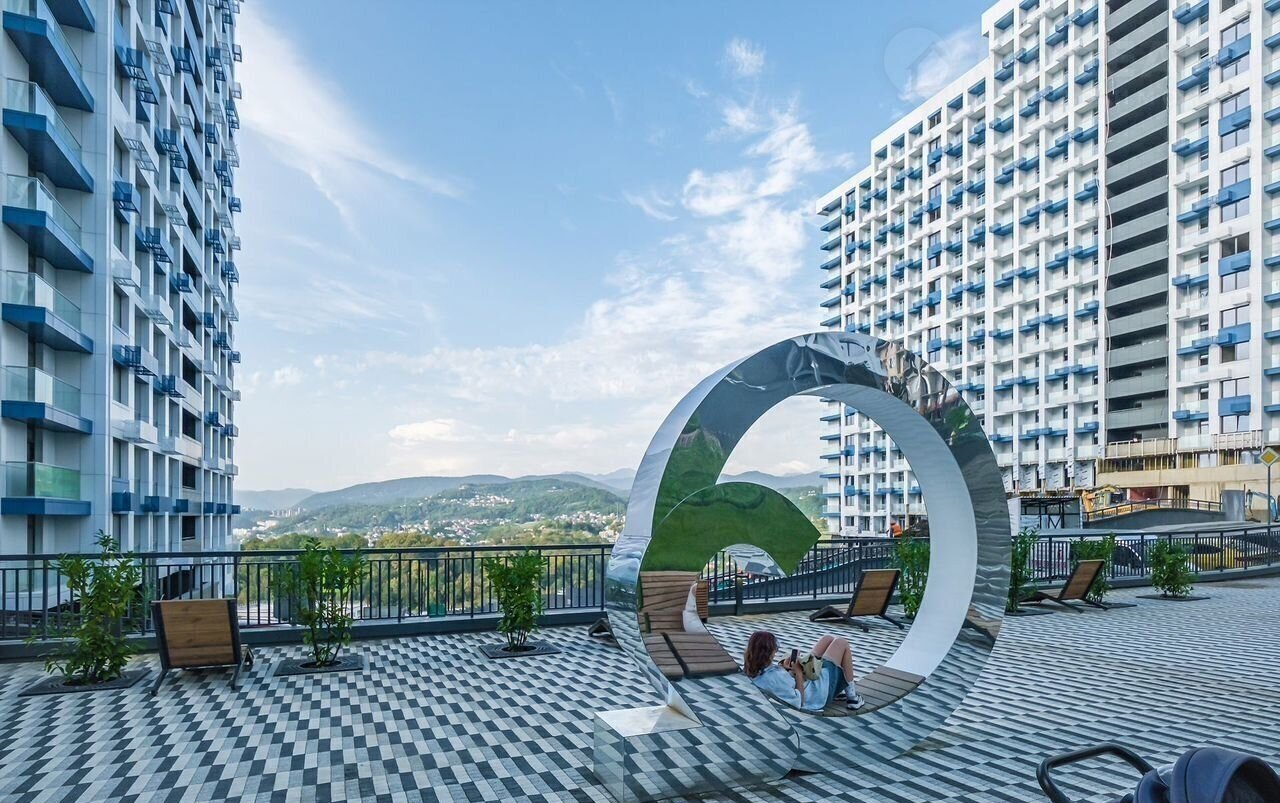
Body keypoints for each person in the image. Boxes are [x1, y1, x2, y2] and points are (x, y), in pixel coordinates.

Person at [742, 630, 865, 712]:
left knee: (827, 639)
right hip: (816, 692)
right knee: (841, 643)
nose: (776, 652)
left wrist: (784, 667)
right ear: (767, 652)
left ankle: (841, 691)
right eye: (775, 649)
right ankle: (852, 698)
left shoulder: (755, 669)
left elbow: (778, 680)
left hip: (805, 681)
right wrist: (799, 673)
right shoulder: (772, 680)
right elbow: (799, 702)